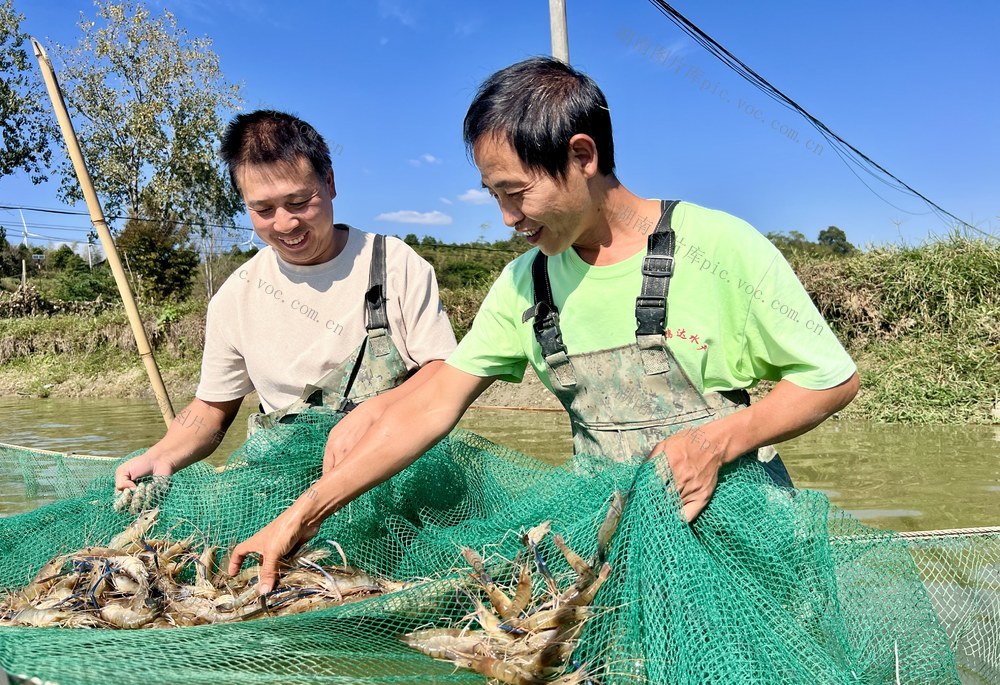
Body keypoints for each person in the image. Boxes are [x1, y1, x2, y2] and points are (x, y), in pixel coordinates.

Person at [229, 59, 859, 594]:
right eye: (493, 195)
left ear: (581, 156)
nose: (506, 217)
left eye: (516, 192)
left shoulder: (718, 246)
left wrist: (718, 441)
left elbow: (830, 380)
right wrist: (299, 516)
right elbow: (431, 405)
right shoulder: (525, 283)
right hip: (610, 552)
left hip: (743, 547)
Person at [114, 110, 457, 511]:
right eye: (263, 210)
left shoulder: (394, 264)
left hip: (396, 484)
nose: (285, 223)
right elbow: (212, 408)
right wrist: (162, 455)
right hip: (277, 492)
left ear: (329, 183)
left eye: (299, 201)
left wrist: (378, 410)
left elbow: (444, 372)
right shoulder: (235, 296)